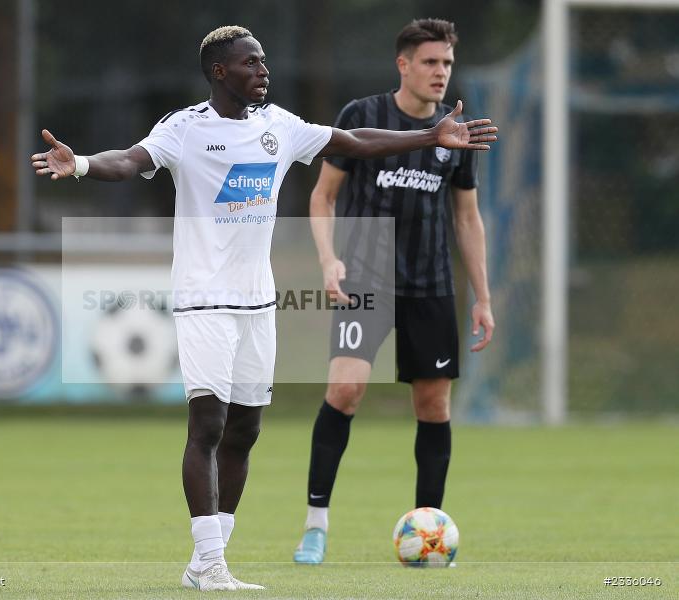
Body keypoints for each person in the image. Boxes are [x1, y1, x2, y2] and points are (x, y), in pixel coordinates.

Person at [31, 25, 496, 591]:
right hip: (204, 298)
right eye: (250, 64)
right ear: (219, 73)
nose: (263, 71)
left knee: (246, 428)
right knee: (208, 423)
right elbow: (129, 161)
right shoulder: (185, 128)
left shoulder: (280, 126)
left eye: (265, 62)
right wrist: (78, 164)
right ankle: (208, 563)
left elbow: (352, 143)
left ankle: (209, 559)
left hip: (258, 301)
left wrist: (428, 137)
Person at [293, 18, 496, 565]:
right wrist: (328, 258)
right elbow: (323, 197)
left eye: (447, 64)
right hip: (364, 275)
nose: (441, 73)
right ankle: (315, 526)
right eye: (430, 62)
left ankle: (429, 530)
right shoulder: (361, 118)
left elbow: (467, 218)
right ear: (403, 64)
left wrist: (482, 296)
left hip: (429, 284)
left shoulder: (458, 131)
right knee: (346, 389)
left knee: (432, 405)